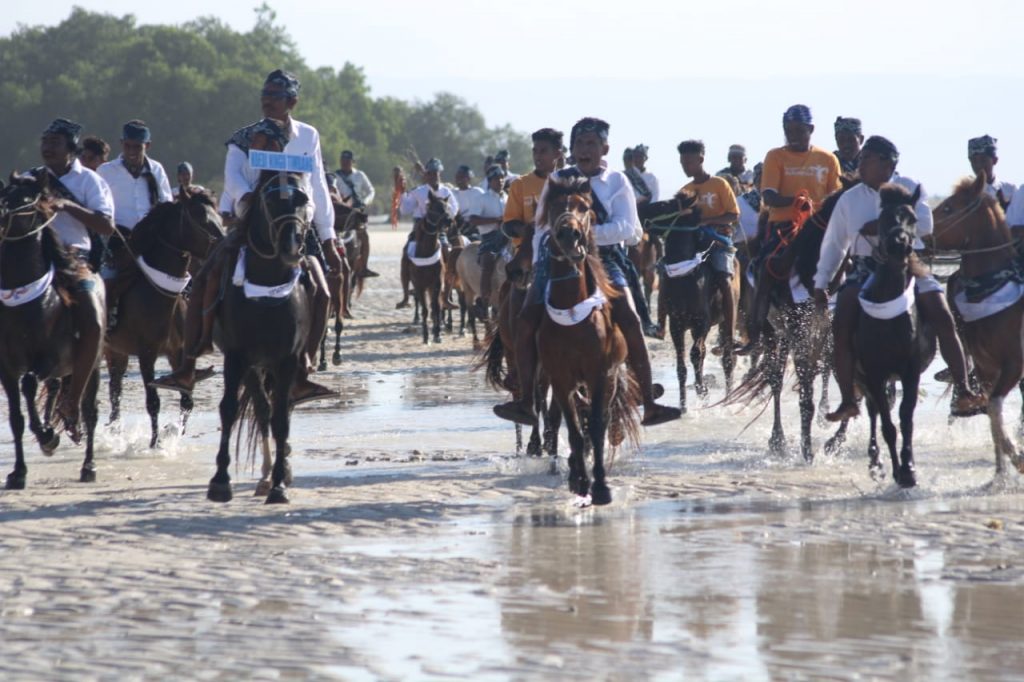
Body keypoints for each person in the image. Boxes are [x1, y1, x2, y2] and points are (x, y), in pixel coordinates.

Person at [152, 70, 342, 403]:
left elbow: (319, 187)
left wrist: (327, 237)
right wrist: (247, 200)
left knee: (324, 290)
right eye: (264, 96)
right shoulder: (244, 137)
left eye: (275, 96)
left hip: (298, 223)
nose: (267, 102)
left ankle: (302, 368)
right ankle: (189, 363)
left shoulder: (309, 136)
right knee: (206, 277)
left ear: (292, 102)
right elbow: (233, 178)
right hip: (253, 221)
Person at [493, 117, 681, 428]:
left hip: (606, 260)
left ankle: (648, 401)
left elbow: (630, 229)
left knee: (631, 320)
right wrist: (547, 255)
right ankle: (526, 400)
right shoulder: (557, 181)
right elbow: (541, 227)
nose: (584, 149)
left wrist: (586, 233)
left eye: (591, 143)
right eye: (579, 143)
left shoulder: (617, 181)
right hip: (557, 259)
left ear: (604, 148)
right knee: (525, 320)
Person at [812, 135, 985, 420]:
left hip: (909, 263)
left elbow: (926, 225)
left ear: (886, 164)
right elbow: (834, 245)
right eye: (862, 158)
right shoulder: (849, 199)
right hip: (866, 267)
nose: (860, 163)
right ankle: (847, 400)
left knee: (942, 314)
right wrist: (821, 284)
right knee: (841, 323)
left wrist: (886, 226)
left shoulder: (910, 187)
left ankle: (964, 391)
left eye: (867, 158)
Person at [34, 118, 115, 435]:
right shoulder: (32, 178)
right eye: (44, 140)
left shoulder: (90, 182)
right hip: (37, 259)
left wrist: (67, 205)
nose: (46, 146)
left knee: (94, 322)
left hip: (74, 260)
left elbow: (106, 225)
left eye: (54, 141)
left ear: (71, 148)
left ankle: (74, 398)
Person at [742, 104, 842, 353]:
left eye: (799, 130)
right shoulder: (775, 156)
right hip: (783, 228)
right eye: (789, 130)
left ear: (811, 129)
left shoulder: (828, 159)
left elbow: (837, 198)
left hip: (821, 229)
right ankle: (756, 335)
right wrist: (795, 201)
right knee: (764, 268)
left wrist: (817, 208)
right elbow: (769, 196)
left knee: (852, 266)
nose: (794, 135)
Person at [97, 120, 174, 329]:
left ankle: (183, 327)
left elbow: (166, 205)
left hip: (152, 240)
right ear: (122, 143)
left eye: (137, 147)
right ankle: (107, 323)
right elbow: (99, 206)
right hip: (118, 240)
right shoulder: (106, 171)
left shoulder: (156, 169)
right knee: (108, 280)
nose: (132, 151)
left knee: (183, 279)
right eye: (128, 145)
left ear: (147, 146)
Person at [678, 139, 740, 351]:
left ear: (700, 160)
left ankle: (729, 336)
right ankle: (661, 322)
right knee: (667, 270)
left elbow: (733, 214)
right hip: (694, 245)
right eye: (682, 162)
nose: (685, 166)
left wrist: (705, 222)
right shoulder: (685, 190)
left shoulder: (719, 184)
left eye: (688, 162)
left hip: (719, 242)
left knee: (723, 278)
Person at [395, 157, 459, 309]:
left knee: (447, 250)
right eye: (430, 173)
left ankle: (447, 294)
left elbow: (455, 209)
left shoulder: (446, 191)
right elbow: (405, 209)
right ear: (426, 175)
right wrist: (402, 194)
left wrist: (442, 212)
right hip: (420, 228)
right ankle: (405, 295)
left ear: (439, 174)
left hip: (439, 227)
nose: (433, 176)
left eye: (435, 173)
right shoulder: (418, 192)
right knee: (407, 251)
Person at [333, 150, 378, 278]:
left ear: (352, 162)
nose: (345, 163)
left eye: (347, 161)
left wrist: (365, 202)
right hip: (342, 210)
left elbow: (371, 191)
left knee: (364, 236)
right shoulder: (335, 176)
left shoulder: (360, 175)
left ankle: (364, 266)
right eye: (343, 161)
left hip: (357, 210)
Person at [471, 164, 508, 318]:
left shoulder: (509, 197)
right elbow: (473, 220)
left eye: (501, 178)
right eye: (496, 179)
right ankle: (483, 301)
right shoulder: (482, 199)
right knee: (489, 261)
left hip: (507, 236)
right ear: (490, 181)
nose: (499, 181)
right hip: (489, 238)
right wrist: (496, 220)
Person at [968, 135, 1015, 211]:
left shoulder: (1010, 190)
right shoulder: (967, 193)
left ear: (995, 160)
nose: (979, 165)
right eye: (974, 161)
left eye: (983, 160)